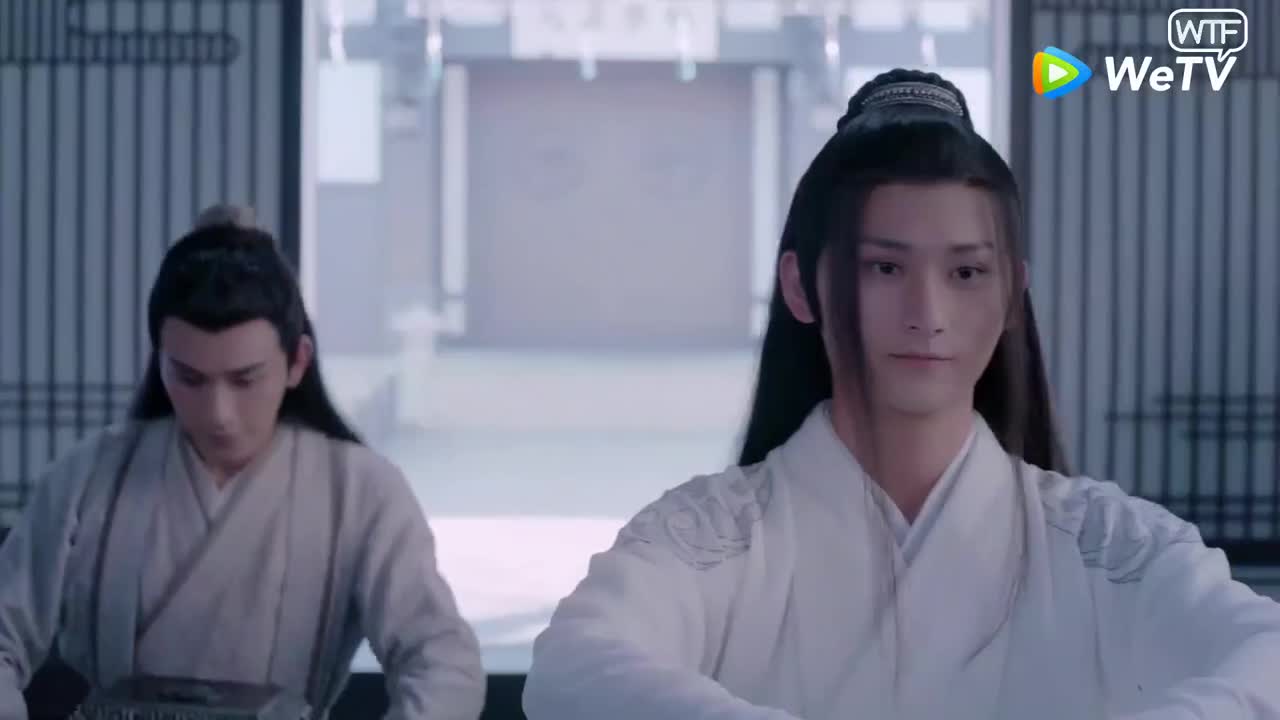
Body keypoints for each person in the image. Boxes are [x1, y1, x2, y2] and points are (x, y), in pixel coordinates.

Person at [522, 70, 1280, 720]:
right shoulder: (710, 536)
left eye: (966, 272)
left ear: (1012, 294)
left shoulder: (1104, 543)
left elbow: (1264, 658)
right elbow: (575, 667)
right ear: (801, 285)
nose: (928, 312)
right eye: (883, 268)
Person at [0, 210, 486, 719]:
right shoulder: (90, 476)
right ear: (160, 360)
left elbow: (442, 662)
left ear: (297, 362)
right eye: (189, 378)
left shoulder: (359, 490)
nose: (219, 414)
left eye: (245, 379)